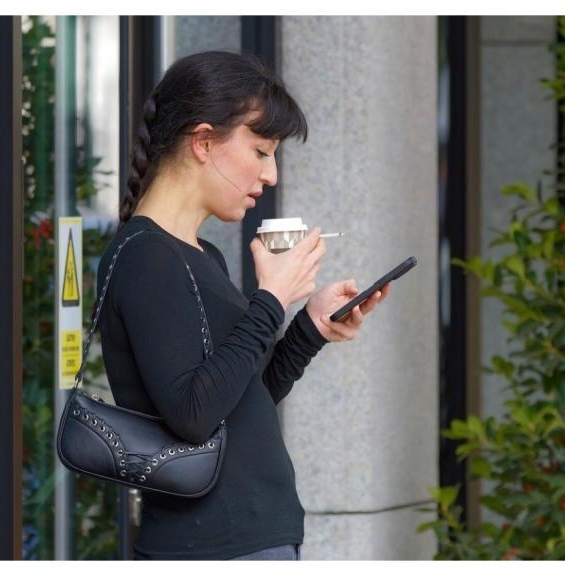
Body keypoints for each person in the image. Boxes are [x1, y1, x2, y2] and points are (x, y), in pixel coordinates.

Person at [96, 50, 391, 561]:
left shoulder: (199, 255)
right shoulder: (146, 257)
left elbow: (238, 401)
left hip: (245, 541)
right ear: (204, 142)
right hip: (213, 547)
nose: (271, 174)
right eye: (261, 150)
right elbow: (193, 415)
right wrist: (271, 299)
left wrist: (308, 329)